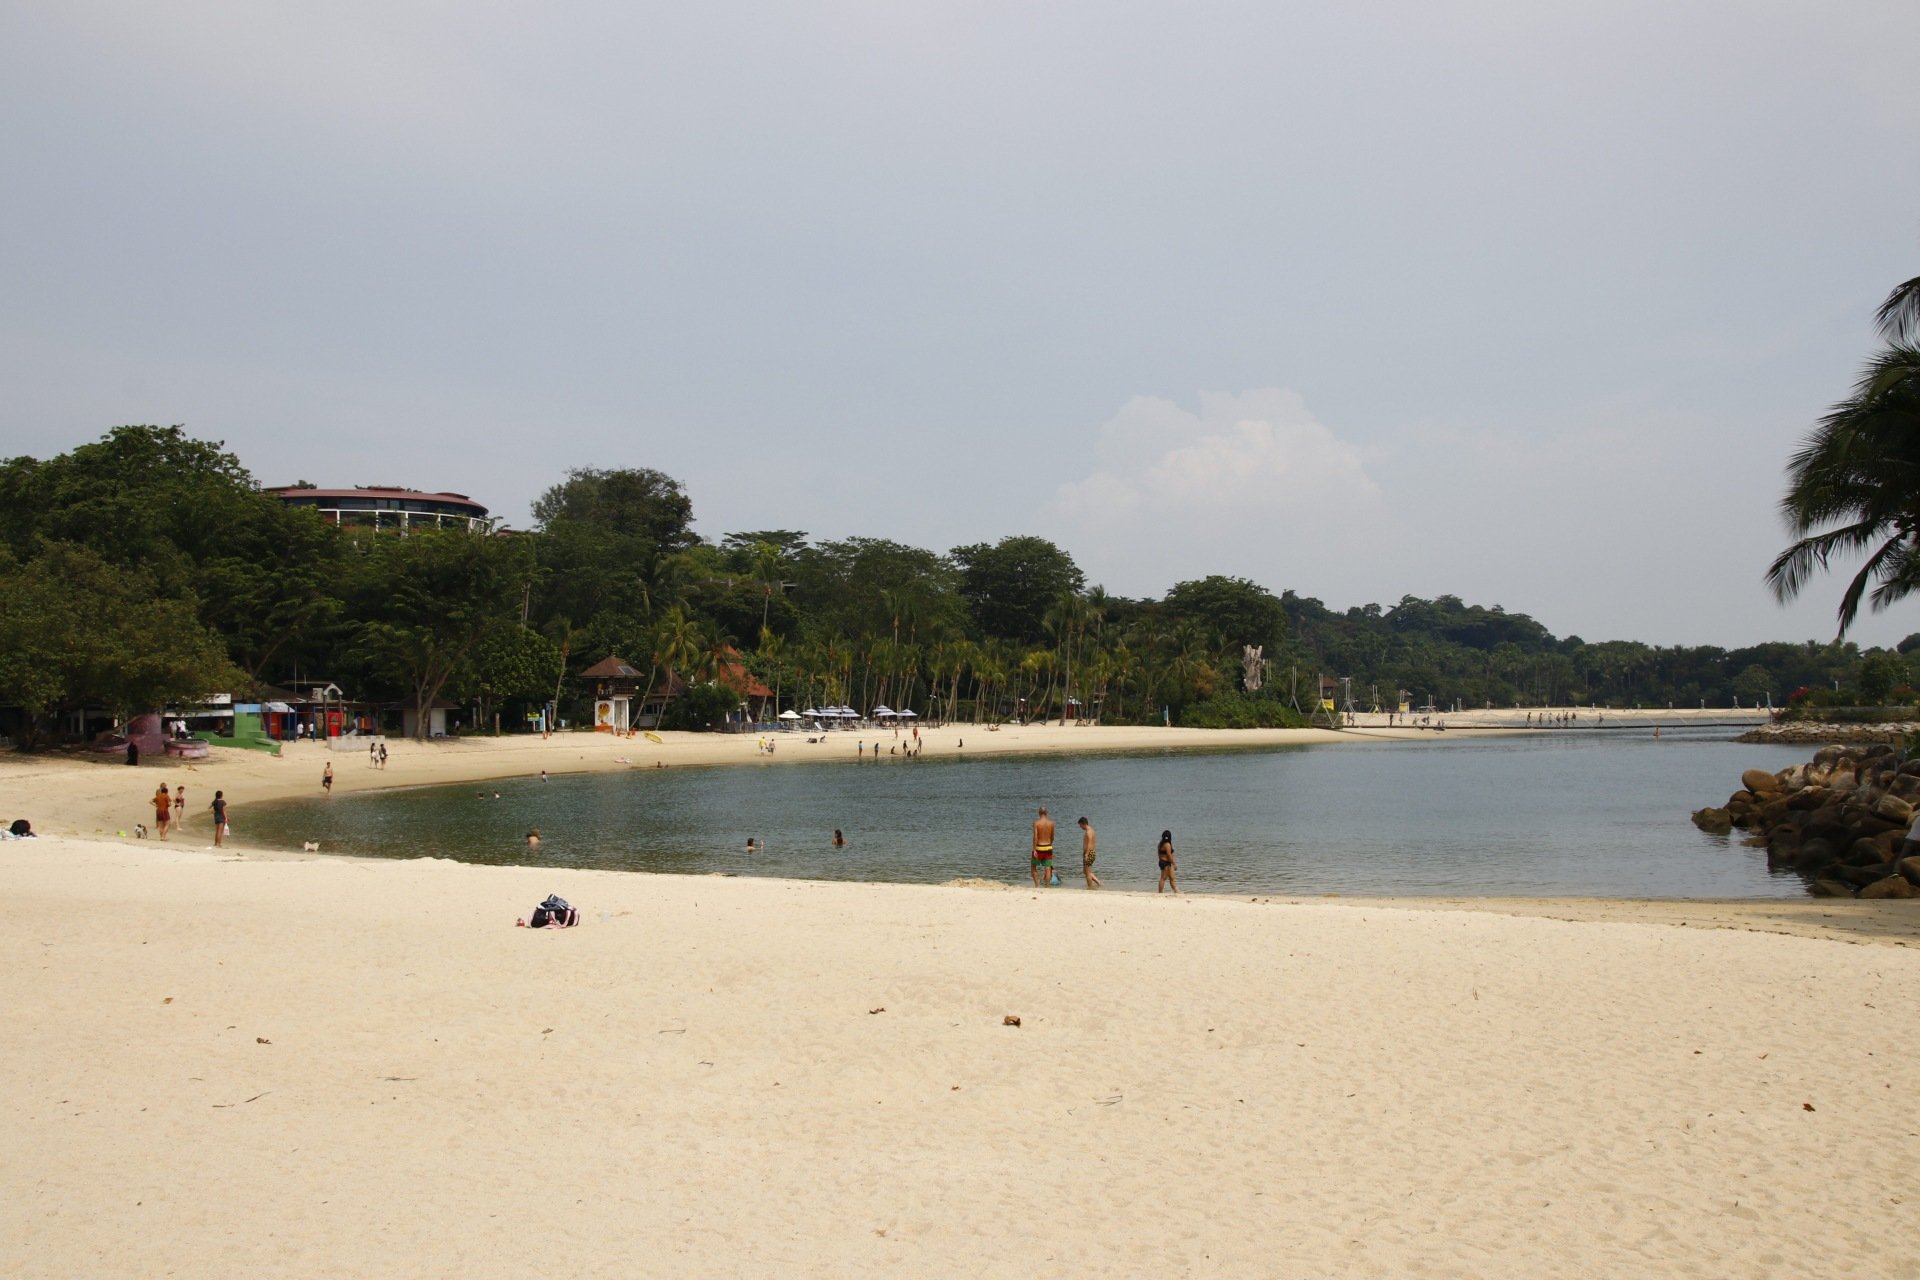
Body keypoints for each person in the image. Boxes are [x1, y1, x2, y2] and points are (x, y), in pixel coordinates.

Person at [1031, 807, 1056, 887]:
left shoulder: (1036, 823)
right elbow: (1052, 837)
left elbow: (1035, 837)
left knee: (1033, 867)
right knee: (1048, 868)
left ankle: (1037, 885)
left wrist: (1034, 849)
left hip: (1039, 847)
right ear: (1047, 813)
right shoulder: (1052, 823)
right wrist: (1050, 844)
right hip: (1048, 847)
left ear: (1039, 813)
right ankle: (1047, 886)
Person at [1078, 816, 1101, 890]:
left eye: (1080, 825)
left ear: (1084, 823)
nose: (1080, 827)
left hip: (1089, 853)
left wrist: (1086, 854)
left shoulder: (1089, 832)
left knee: (1087, 873)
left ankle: (1090, 887)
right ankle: (1098, 882)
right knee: (1086, 871)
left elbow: (1090, 844)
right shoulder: (1090, 830)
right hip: (1089, 852)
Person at [1157, 829, 1179, 894]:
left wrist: (1160, 860)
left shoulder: (1160, 844)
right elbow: (1169, 855)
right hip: (1166, 863)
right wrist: (1174, 864)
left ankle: (1176, 891)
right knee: (1163, 878)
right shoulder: (1167, 844)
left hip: (1163, 862)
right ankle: (1160, 893)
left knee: (1172, 878)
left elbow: (1158, 853)